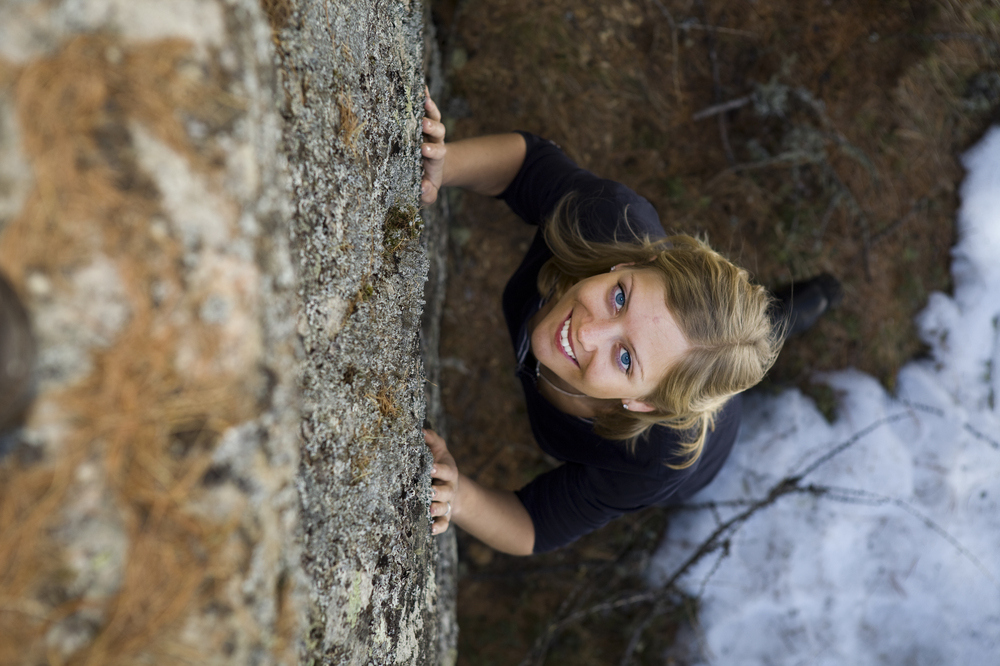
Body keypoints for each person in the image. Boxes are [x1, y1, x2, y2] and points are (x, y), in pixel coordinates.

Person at [418, 93, 839, 556]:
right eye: (620, 298)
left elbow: (535, 525)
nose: (587, 332)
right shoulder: (607, 219)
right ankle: (787, 311)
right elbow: (525, 165)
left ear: (639, 402)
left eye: (625, 358)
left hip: (704, 451)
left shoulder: (653, 462)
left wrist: (460, 499)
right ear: (628, 263)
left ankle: (800, 309)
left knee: (745, 355)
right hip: (682, 352)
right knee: (739, 336)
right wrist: (444, 164)